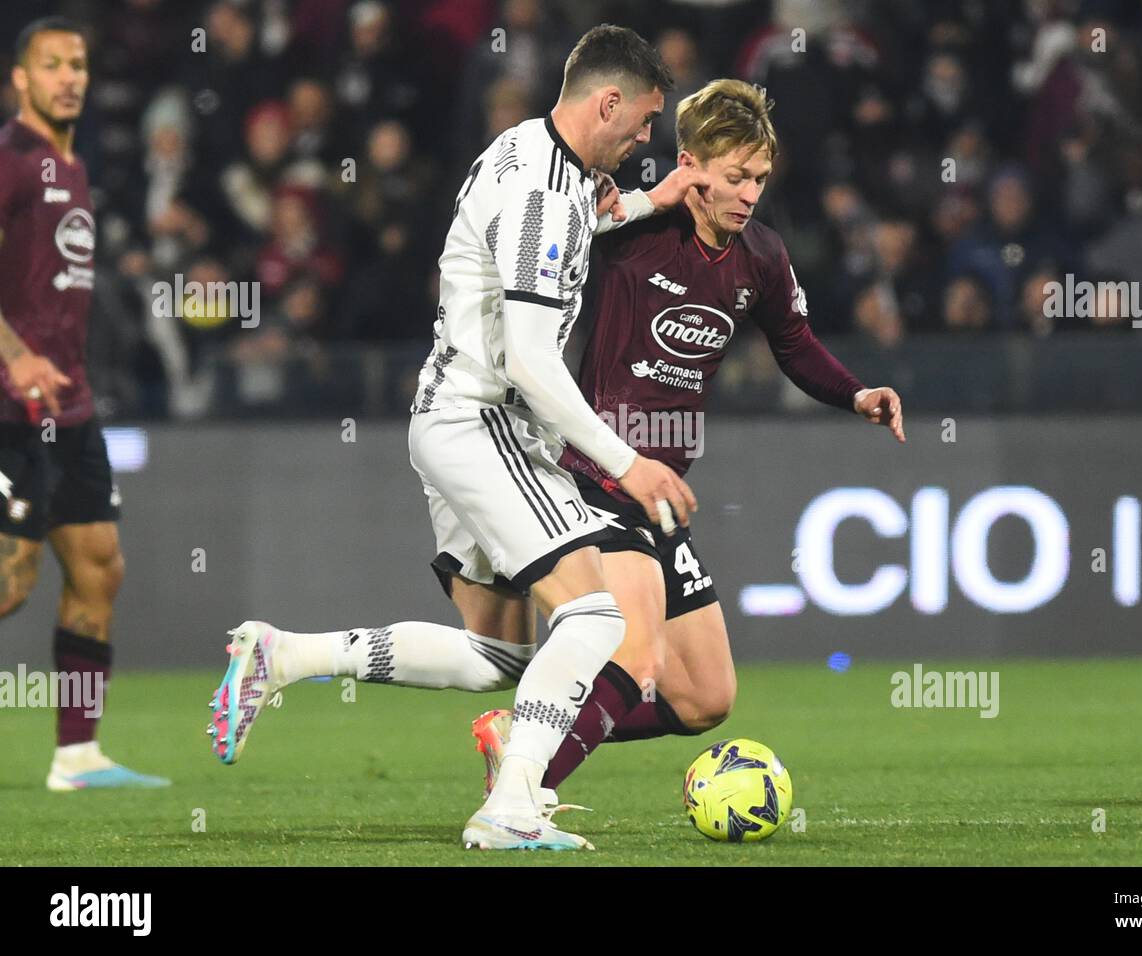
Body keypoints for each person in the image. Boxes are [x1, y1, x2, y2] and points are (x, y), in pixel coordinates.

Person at [210, 24, 707, 851]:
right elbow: (533, 361)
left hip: (452, 417)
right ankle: (511, 807)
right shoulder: (547, 191)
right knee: (594, 617)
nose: (647, 139)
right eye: (646, 120)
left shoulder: (523, 151)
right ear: (607, 101)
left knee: (501, 657)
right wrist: (631, 464)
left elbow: (568, 232)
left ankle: (284, 656)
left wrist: (657, 200)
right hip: (483, 421)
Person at [474, 78, 905, 803]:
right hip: (595, 476)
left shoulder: (761, 258)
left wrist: (855, 393)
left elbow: (794, 343)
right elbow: (546, 229)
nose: (749, 194)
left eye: (760, 179)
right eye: (735, 176)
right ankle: (521, 792)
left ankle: (524, 735)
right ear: (690, 163)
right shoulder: (632, 232)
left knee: (706, 697)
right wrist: (629, 203)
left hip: (662, 493)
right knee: (637, 657)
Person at [0, 17, 169, 791]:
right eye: (52, 65)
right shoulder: (11, 160)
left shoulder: (72, 167)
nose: (70, 76)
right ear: (21, 81)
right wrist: (18, 355)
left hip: (69, 405)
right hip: (9, 404)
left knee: (99, 566)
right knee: (12, 578)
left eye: (79, 64)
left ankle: (76, 755)